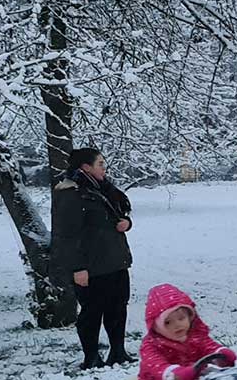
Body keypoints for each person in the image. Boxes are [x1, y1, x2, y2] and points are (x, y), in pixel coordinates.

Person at [52, 147, 136, 369]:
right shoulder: (70, 192)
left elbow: (120, 212)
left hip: (115, 259)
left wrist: (126, 223)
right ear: (85, 167)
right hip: (90, 265)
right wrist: (77, 267)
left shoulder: (104, 188)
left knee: (118, 307)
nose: (104, 168)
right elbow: (67, 234)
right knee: (92, 311)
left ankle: (118, 351)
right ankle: (91, 357)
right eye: (100, 163)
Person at [139, 284, 237, 380]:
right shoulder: (151, 345)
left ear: (190, 317)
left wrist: (220, 353)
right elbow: (155, 364)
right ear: (157, 326)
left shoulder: (195, 335)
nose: (177, 325)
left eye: (181, 318)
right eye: (168, 322)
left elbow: (208, 346)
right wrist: (172, 372)